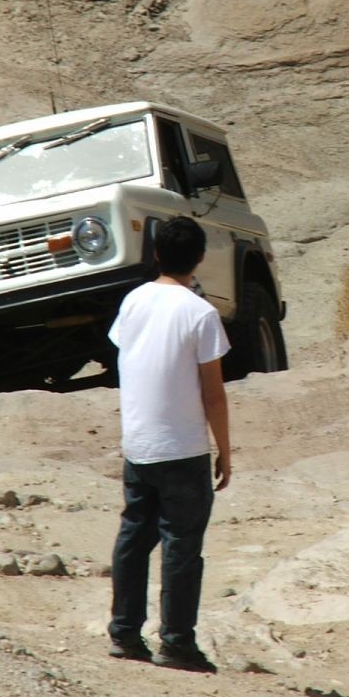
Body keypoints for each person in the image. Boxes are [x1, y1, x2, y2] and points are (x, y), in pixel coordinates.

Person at [106, 216, 231, 673]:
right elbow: (213, 393)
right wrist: (226, 451)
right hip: (182, 447)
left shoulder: (133, 301)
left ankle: (124, 632)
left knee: (134, 536)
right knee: (181, 544)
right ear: (199, 258)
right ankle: (177, 642)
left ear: (156, 253)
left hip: (138, 442)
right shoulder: (200, 313)